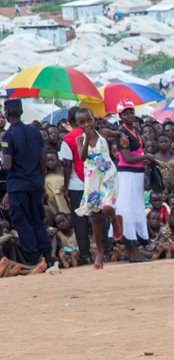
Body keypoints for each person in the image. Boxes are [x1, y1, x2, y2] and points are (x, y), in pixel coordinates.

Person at [1, 99, 53, 268]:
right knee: (37, 219)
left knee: (22, 221)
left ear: (7, 114)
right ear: (21, 112)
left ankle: (34, 258)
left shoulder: (7, 136)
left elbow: (7, 165)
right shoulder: (34, 131)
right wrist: (42, 180)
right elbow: (42, 157)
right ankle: (48, 256)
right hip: (35, 183)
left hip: (17, 186)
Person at [116, 100, 162, 263]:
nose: (130, 115)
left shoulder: (133, 131)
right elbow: (127, 158)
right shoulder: (122, 133)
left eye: (131, 112)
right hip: (127, 174)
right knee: (129, 210)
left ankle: (129, 251)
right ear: (120, 116)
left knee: (134, 208)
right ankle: (133, 249)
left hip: (135, 173)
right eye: (126, 113)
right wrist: (147, 157)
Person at [75, 107, 122, 270]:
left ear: (94, 119)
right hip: (92, 179)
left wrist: (123, 141)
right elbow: (82, 157)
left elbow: (120, 134)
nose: (87, 124)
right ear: (78, 125)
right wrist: (87, 139)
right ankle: (100, 251)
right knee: (95, 215)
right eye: (82, 123)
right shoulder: (80, 140)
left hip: (108, 174)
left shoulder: (104, 133)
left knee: (108, 207)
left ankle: (115, 220)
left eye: (89, 120)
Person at [59, 107, 92, 265]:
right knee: (99, 218)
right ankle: (104, 251)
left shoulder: (68, 138)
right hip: (93, 182)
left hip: (76, 184)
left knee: (80, 221)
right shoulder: (93, 134)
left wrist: (65, 188)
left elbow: (67, 165)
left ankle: (85, 254)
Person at [43, 150, 70, 216]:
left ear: (57, 160)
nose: (50, 163)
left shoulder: (64, 172)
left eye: (53, 160)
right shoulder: (46, 177)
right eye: (48, 161)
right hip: (55, 201)